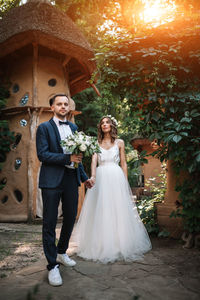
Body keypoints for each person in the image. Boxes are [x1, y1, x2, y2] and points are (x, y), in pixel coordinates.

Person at [74, 115, 152, 263]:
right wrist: (93, 176)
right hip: (102, 177)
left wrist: (125, 181)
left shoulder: (120, 142)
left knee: (117, 209)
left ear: (112, 125)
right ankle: (102, 244)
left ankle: (119, 243)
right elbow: (94, 161)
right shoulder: (96, 143)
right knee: (102, 209)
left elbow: (123, 163)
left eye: (107, 122)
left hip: (116, 177)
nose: (105, 124)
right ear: (100, 127)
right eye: (102, 123)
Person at [36, 94, 92, 286]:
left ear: (69, 107)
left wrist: (84, 178)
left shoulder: (74, 128)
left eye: (65, 104)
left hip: (71, 180)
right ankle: (52, 266)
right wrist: (66, 159)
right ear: (52, 107)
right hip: (51, 180)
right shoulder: (44, 128)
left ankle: (61, 252)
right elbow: (42, 154)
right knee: (49, 223)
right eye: (59, 104)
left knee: (70, 218)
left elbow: (78, 157)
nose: (63, 106)